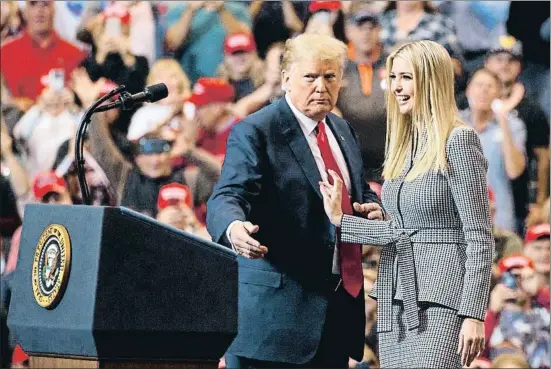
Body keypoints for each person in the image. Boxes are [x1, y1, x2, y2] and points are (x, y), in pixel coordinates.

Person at [206, 33, 383, 368]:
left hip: (335, 317)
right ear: (286, 79)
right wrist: (233, 227)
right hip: (273, 323)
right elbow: (229, 194)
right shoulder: (256, 130)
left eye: (329, 77)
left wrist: (373, 206)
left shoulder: (342, 129)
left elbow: (359, 190)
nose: (321, 86)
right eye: (310, 77)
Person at [320, 40, 494, 368]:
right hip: (395, 296)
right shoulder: (406, 144)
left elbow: (480, 237)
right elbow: (402, 231)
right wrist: (347, 220)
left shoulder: (458, 140)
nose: (396, 87)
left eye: (407, 78)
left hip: (444, 299)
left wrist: (473, 313)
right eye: (394, 77)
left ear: (430, 80)